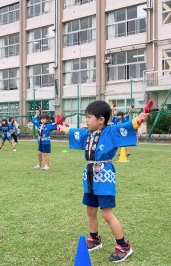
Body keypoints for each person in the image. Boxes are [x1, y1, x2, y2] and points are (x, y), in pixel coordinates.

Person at [57, 100, 148, 263]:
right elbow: (75, 132)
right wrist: (64, 128)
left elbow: (128, 126)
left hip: (104, 175)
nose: (86, 120)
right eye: (86, 117)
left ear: (101, 119)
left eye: (89, 117)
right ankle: (94, 239)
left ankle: (123, 246)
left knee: (107, 214)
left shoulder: (111, 132)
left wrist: (138, 120)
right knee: (90, 210)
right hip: (89, 175)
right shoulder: (88, 134)